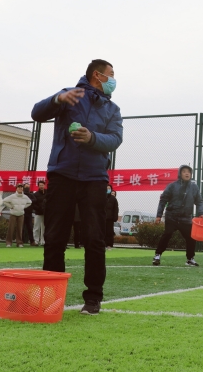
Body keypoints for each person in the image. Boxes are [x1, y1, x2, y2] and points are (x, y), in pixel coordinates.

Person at [31, 59, 124, 315]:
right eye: (111, 75)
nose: (114, 80)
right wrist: (57, 99)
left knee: (94, 239)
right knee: (55, 237)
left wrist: (92, 137)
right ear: (98, 75)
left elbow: (115, 139)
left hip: (95, 178)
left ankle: (93, 298)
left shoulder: (112, 109)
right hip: (63, 174)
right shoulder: (69, 95)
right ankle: (52, 296)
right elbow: (37, 113)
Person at [153, 165, 203, 267]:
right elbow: (163, 200)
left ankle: (190, 259)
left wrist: (201, 213)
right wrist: (159, 215)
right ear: (180, 174)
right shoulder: (172, 186)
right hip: (171, 216)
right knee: (167, 234)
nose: (187, 173)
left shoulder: (194, 187)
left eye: (188, 172)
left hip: (186, 218)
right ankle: (157, 255)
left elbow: (199, 201)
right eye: (184, 171)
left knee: (191, 237)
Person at [32, 180, 48, 246]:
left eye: (42, 185)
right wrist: (39, 209)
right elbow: (34, 204)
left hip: (46, 213)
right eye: (40, 185)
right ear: (38, 186)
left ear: (44, 185)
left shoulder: (48, 193)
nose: (41, 186)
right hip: (38, 213)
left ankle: (43, 241)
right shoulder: (35, 194)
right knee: (36, 227)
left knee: (44, 228)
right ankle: (36, 241)